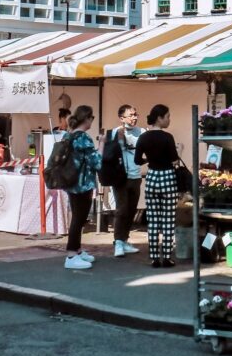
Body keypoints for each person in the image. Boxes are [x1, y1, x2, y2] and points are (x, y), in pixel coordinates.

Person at [135, 104, 180, 268]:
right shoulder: (168, 137)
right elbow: (174, 160)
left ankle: (154, 257)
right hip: (167, 177)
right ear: (159, 118)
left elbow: (137, 161)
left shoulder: (143, 137)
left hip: (152, 177)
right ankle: (166, 257)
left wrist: (149, 160)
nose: (169, 119)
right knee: (168, 220)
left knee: (153, 220)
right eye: (167, 116)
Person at [104, 104, 145, 257]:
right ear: (121, 118)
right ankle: (118, 242)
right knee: (121, 210)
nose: (134, 118)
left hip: (136, 176)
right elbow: (108, 155)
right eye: (130, 115)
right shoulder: (115, 132)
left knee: (131, 210)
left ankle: (125, 240)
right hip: (120, 177)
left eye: (135, 114)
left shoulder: (142, 132)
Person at [64, 105, 101, 271]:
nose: (92, 121)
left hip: (71, 182)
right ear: (87, 118)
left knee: (78, 217)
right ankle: (71, 255)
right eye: (92, 118)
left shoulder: (69, 135)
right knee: (79, 219)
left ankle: (77, 250)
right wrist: (102, 144)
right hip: (83, 183)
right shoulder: (84, 138)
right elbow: (96, 162)